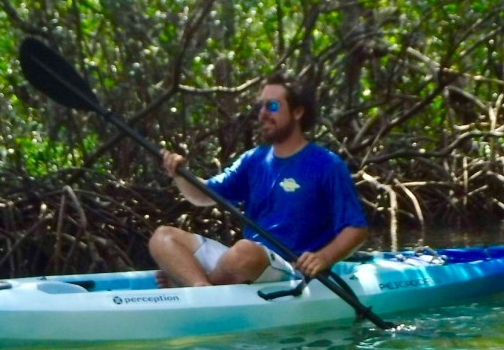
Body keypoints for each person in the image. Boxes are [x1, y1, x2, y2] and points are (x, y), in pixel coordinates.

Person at [148, 71, 368, 288]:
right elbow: (204, 196)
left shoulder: (327, 165)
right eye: (260, 106)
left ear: (298, 112)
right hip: (243, 262)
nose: (262, 113)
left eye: (272, 106)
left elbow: (356, 229)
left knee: (244, 252)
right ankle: (200, 287)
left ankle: (191, 283)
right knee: (163, 236)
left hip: (292, 269)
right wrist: (179, 173)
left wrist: (324, 257)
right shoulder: (254, 159)